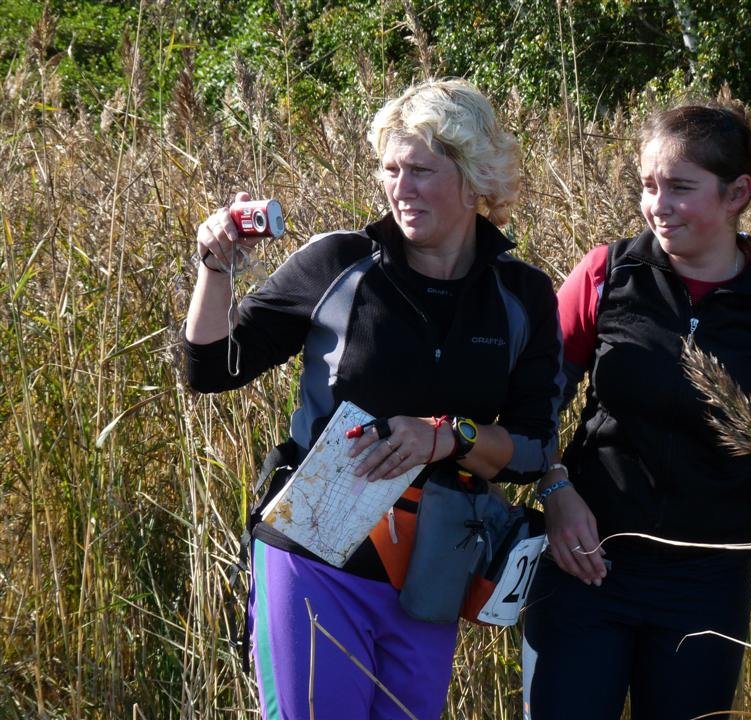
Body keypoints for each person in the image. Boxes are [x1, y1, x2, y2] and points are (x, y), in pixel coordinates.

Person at [184, 79, 563, 720]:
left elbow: (533, 449)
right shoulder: (339, 261)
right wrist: (214, 266)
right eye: (390, 169)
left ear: (475, 179)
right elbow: (213, 369)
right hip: (312, 549)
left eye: (421, 170)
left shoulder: (522, 294)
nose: (400, 188)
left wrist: (447, 436)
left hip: (430, 572)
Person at [522, 102, 751, 719]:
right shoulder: (605, 275)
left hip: (705, 593)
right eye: (649, 185)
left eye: (680, 187)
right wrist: (556, 490)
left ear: (737, 194)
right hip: (583, 568)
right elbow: (532, 406)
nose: (658, 205)